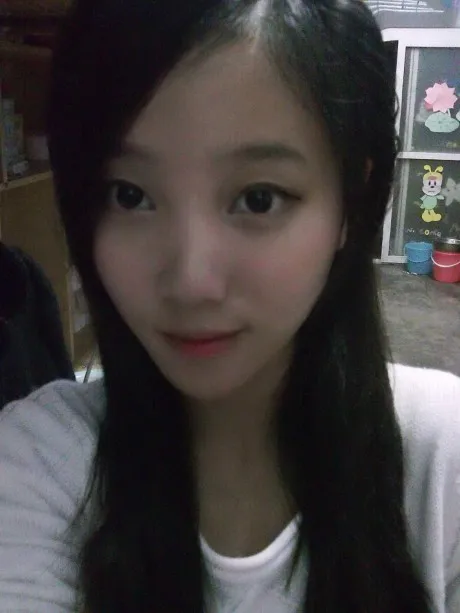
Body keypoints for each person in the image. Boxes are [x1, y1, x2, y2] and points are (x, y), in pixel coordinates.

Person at [0, 1, 459, 612]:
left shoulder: (443, 459)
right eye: (129, 195)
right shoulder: (38, 461)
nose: (192, 282)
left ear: (350, 203)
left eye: (259, 198)